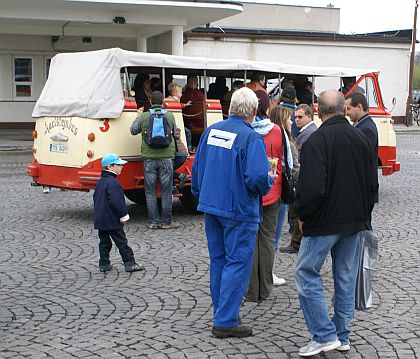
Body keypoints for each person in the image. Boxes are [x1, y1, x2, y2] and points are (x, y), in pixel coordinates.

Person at [191, 87, 277, 338]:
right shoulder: (250, 138)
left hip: (212, 205)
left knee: (219, 260)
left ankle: (222, 312)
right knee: (237, 262)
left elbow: (198, 169)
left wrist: (202, 195)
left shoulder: (211, 131)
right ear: (253, 111)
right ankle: (226, 320)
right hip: (238, 209)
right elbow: (256, 179)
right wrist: (269, 180)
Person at [294, 90, 372, 356]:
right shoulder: (361, 137)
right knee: (345, 277)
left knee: (306, 272)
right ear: (343, 109)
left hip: (324, 221)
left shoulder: (317, 141)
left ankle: (324, 334)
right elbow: (372, 185)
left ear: (319, 112)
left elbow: (312, 187)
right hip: (354, 221)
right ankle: (342, 334)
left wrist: (302, 215)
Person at [245, 90, 283, 303]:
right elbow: (287, 161)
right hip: (273, 192)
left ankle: (251, 289)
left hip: (250, 192)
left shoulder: (247, 130)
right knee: (267, 240)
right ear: (267, 107)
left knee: (250, 239)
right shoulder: (277, 131)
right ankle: (265, 287)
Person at [130, 91, 180, 230]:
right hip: (166, 158)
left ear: (150, 102)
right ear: (163, 102)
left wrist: (138, 116)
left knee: (150, 191)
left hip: (149, 158)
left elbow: (133, 130)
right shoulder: (169, 115)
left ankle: (153, 222)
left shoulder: (145, 116)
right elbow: (175, 132)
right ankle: (166, 222)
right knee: (166, 191)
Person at [93, 153, 145, 273]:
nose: (121, 167)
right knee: (122, 242)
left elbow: (96, 199)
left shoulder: (100, 182)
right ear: (110, 167)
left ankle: (104, 264)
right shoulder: (114, 183)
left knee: (104, 242)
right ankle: (130, 263)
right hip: (112, 219)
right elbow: (117, 202)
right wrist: (123, 216)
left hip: (101, 219)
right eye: (118, 165)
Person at [280, 104, 316, 254]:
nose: (296, 120)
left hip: (300, 178)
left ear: (309, 116)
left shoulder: (307, 134)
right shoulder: (306, 132)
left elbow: (300, 160)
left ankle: (296, 243)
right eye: (295, 117)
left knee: (297, 212)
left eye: (300, 117)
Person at [270, 106, 299, 285]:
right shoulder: (283, 138)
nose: (292, 122)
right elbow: (292, 166)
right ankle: (268, 271)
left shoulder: (277, 136)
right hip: (281, 191)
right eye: (289, 119)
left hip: (276, 190)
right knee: (275, 233)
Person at [345, 92, 379, 230]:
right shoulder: (361, 125)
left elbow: (363, 160)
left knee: (363, 229)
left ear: (359, 107)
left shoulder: (367, 128)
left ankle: (366, 252)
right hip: (363, 188)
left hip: (365, 189)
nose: (347, 113)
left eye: (349, 108)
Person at [167, 82, 193, 152]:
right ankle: (189, 148)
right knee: (187, 132)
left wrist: (185, 104)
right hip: (174, 124)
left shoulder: (169, 99)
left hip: (171, 123)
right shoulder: (174, 100)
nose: (181, 95)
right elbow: (178, 106)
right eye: (180, 93)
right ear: (174, 93)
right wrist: (184, 104)